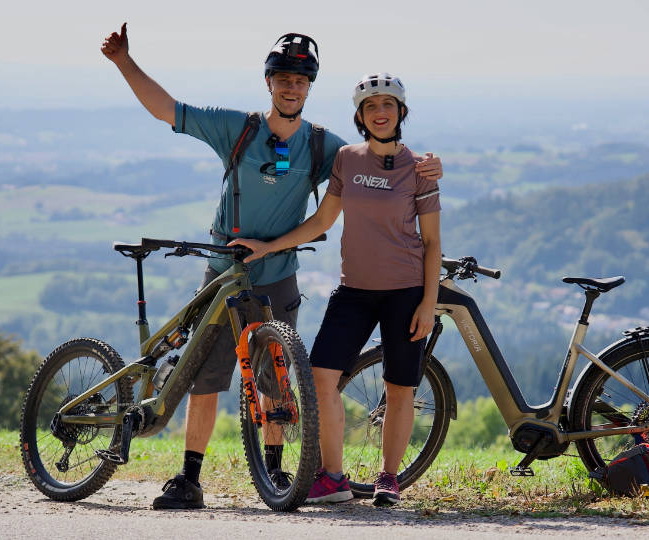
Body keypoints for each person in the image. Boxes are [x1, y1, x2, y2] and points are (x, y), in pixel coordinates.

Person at [101, 26, 443, 510]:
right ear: (268, 82)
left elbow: (379, 156)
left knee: (277, 379)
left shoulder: (325, 147)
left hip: (278, 273)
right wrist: (124, 62)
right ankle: (189, 477)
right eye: (283, 78)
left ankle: (277, 471)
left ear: (310, 88)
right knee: (208, 376)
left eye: (301, 81)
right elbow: (167, 110)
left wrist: (428, 165)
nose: (291, 87)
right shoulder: (237, 128)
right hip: (225, 269)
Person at [231, 73, 441, 507]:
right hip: (354, 291)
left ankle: (388, 478)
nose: (379, 113)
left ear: (401, 112)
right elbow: (322, 222)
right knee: (320, 379)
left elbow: (434, 242)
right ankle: (333, 479)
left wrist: (428, 301)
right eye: (370, 107)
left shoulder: (419, 168)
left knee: (400, 387)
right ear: (360, 116)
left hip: (405, 290)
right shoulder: (347, 159)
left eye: (387, 105)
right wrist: (269, 246)